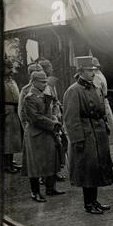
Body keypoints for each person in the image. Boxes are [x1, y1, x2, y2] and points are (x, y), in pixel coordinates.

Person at [63, 56, 113, 214]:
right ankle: (88, 204)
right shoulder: (73, 91)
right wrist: (77, 139)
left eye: (94, 70)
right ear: (80, 72)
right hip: (85, 135)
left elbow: (102, 111)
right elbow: (71, 119)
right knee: (88, 170)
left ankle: (94, 201)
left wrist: (105, 126)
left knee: (96, 169)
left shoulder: (95, 88)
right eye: (89, 70)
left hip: (98, 134)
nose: (93, 73)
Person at [21, 71, 65, 201]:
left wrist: (54, 118)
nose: (45, 84)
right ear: (34, 82)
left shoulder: (44, 94)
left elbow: (48, 111)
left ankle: (50, 189)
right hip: (35, 134)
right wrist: (53, 124)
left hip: (47, 131)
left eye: (46, 81)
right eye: (42, 82)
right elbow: (35, 118)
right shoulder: (29, 97)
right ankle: (35, 192)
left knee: (51, 158)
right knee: (35, 164)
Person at [39, 59, 67, 182]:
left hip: (56, 116)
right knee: (50, 147)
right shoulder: (45, 85)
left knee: (58, 145)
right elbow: (47, 103)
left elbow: (54, 100)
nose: (52, 68)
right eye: (49, 67)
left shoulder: (51, 83)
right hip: (50, 118)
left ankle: (54, 172)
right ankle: (44, 175)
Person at [92, 56, 113, 145]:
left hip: (101, 103)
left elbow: (96, 93)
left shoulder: (96, 77)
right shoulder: (100, 74)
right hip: (104, 102)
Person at [3, 59, 22, 174]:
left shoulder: (11, 81)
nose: (11, 71)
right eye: (8, 68)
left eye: (11, 68)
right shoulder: (1, 82)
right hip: (6, 111)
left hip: (14, 111)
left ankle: (11, 161)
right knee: (7, 139)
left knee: (13, 139)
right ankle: (6, 164)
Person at [18, 62, 44, 129]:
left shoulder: (47, 87)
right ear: (31, 76)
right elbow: (22, 112)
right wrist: (26, 128)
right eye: (36, 73)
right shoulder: (25, 90)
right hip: (33, 127)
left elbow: (55, 102)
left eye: (41, 72)